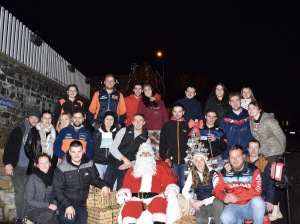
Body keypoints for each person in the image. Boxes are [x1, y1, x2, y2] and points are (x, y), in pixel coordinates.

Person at [117, 143, 180, 224]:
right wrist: (123, 194)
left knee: (160, 205)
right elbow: (126, 186)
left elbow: (168, 181)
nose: (146, 155)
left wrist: (171, 190)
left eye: (148, 153)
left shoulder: (159, 168)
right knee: (129, 209)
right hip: (136, 199)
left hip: (155, 198)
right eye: (143, 153)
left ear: (151, 156)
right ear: (139, 156)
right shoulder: (132, 170)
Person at [53, 140, 110, 224]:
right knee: (68, 219)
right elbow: (56, 191)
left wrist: (104, 185)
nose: (76, 155)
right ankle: (57, 216)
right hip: (65, 201)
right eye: (73, 152)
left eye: (79, 151)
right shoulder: (61, 168)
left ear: (83, 151)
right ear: (69, 152)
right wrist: (68, 205)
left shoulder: (89, 164)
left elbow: (95, 179)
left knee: (81, 221)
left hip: (81, 203)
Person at [248, 102, 285, 221]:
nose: (251, 110)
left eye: (254, 108)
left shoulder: (269, 121)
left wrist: (280, 151)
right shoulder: (252, 122)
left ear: (259, 109)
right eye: (249, 108)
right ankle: (273, 208)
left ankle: (276, 210)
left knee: (272, 180)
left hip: (273, 152)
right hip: (264, 153)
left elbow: (282, 137)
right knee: (267, 179)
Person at [3, 107, 40, 224]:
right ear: (27, 118)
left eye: (36, 118)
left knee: (32, 192)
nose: (34, 120)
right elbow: (9, 147)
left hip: (32, 168)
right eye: (31, 117)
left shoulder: (40, 130)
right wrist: (8, 163)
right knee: (20, 192)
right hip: (18, 166)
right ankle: (20, 217)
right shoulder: (19, 130)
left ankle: (30, 216)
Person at [213, 145, 265, 223]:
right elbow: (216, 190)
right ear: (229, 159)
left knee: (258, 202)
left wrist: (237, 197)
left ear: (243, 156)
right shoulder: (224, 172)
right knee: (225, 218)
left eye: (238, 156)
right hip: (234, 206)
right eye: (232, 157)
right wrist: (224, 197)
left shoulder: (253, 170)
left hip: (250, 205)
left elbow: (257, 192)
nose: (235, 160)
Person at [104, 113, 149, 190]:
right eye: (136, 120)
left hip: (127, 168)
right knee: (106, 188)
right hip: (113, 163)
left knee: (121, 192)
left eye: (140, 120)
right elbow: (112, 148)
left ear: (144, 123)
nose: (138, 123)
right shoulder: (124, 130)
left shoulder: (146, 139)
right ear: (132, 122)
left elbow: (142, 158)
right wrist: (124, 159)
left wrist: (130, 164)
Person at [182, 153, 223, 224]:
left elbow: (218, 194)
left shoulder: (213, 173)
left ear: (205, 161)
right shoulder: (192, 173)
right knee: (200, 221)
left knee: (218, 201)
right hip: (201, 205)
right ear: (194, 163)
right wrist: (191, 201)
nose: (199, 163)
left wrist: (202, 202)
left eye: (201, 160)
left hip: (214, 203)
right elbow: (184, 191)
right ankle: (210, 219)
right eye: (196, 161)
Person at [159, 103, 190, 192]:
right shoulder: (167, 126)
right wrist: (165, 157)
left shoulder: (187, 126)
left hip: (185, 161)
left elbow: (192, 142)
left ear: (183, 112)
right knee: (173, 184)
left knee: (184, 185)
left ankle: (183, 204)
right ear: (172, 112)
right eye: (175, 111)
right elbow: (162, 144)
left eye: (179, 111)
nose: (177, 114)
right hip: (172, 161)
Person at [25, 153, 58, 224]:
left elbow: (56, 195)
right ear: (37, 165)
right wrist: (48, 205)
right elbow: (29, 201)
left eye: (46, 162)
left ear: (50, 163)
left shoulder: (55, 177)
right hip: (33, 210)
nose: (44, 165)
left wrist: (54, 206)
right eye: (41, 163)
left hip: (49, 210)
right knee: (47, 214)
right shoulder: (32, 179)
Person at [220, 92, 253, 161]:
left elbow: (255, 134)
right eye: (232, 101)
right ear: (229, 103)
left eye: (237, 100)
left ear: (240, 101)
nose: (235, 103)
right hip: (232, 154)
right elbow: (223, 139)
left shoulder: (249, 115)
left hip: (247, 154)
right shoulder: (225, 118)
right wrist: (225, 157)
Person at [24, 110, 56, 175]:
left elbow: (56, 150)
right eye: (45, 118)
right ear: (41, 118)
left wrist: (53, 163)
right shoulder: (34, 131)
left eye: (49, 118)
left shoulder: (55, 133)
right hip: (36, 165)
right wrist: (34, 161)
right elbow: (27, 147)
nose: (47, 120)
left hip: (50, 166)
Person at [92, 110, 118, 179]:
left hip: (111, 163)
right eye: (107, 119)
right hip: (98, 162)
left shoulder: (117, 133)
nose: (109, 121)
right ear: (103, 120)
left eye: (111, 119)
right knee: (97, 183)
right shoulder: (96, 133)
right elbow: (93, 148)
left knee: (110, 184)